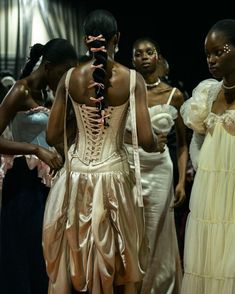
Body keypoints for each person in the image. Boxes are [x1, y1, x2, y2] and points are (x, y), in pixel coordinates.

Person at [42, 9, 162, 294]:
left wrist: (72, 149)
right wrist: (157, 140)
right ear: (116, 39)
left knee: (76, 259)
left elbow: (51, 135)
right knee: (117, 263)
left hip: (75, 177)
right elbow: (146, 140)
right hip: (114, 177)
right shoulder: (133, 80)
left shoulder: (69, 78)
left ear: (85, 41)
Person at [0, 38, 78, 294]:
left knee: (42, 251)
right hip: (23, 181)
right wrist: (36, 149)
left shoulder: (48, 94)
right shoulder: (20, 91)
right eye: (64, 71)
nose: (66, 77)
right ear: (48, 66)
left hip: (44, 182)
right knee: (23, 250)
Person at [127, 37, 188, 294]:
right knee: (133, 230)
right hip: (131, 168)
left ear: (157, 56)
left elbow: (182, 144)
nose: (143, 57)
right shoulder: (125, 91)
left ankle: (154, 287)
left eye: (149, 52)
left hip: (161, 171)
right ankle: (133, 284)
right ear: (132, 60)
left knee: (155, 229)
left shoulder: (174, 96)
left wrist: (182, 181)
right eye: (138, 53)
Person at [180, 19, 235, 294]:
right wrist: (201, 165)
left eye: (219, 51)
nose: (211, 60)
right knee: (209, 256)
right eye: (208, 54)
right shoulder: (208, 93)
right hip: (210, 190)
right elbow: (197, 138)